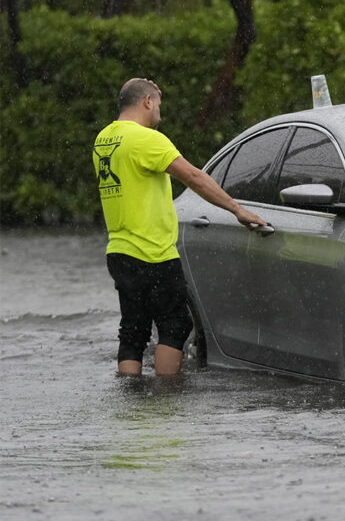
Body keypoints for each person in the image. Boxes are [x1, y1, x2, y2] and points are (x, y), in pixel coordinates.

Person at [92, 78, 267, 377]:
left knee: (133, 330)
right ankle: (166, 396)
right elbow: (194, 177)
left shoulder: (104, 139)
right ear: (147, 102)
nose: (160, 112)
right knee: (175, 324)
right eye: (158, 104)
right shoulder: (147, 140)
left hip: (119, 252)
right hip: (154, 251)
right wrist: (237, 209)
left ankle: (130, 395)